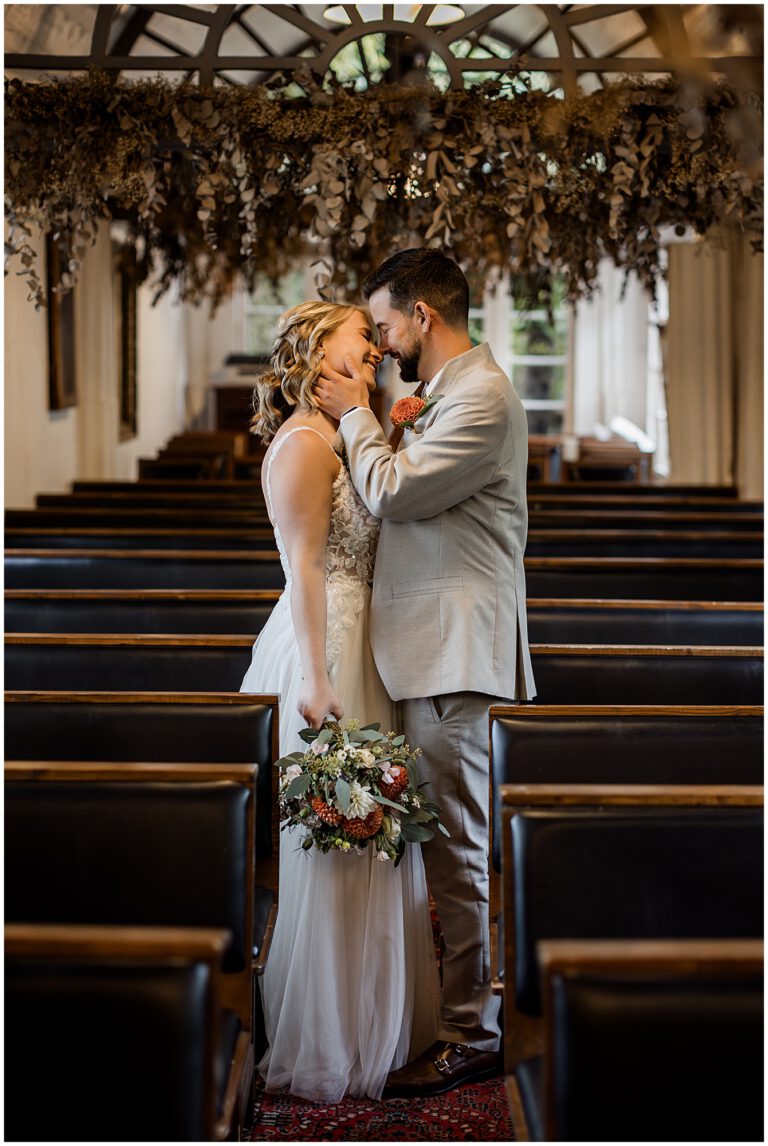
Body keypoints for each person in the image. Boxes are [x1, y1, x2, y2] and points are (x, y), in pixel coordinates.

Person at [314, 248, 536, 1097]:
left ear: (423, 318)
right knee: (432, 850)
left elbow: (396, 495)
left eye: (386, 324)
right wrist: (396, 418)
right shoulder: (453, 395)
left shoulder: (482, 399)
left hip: (452, 653)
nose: (382, 339)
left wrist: (359, 416)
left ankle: (474, 1033)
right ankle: (440, 1013)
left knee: (458, 855)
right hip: (424, 650)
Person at [239, 300, 440, 1104]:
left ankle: (376, 1022)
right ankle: (330, 1035)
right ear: (325, 347)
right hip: (328, 656)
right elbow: (306, 571)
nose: (379, 343)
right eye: (366, 333)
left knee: (373, 840)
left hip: (366, 651)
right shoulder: (301, 444)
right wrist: (320, 680)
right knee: (337, 847)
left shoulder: (348, 432)